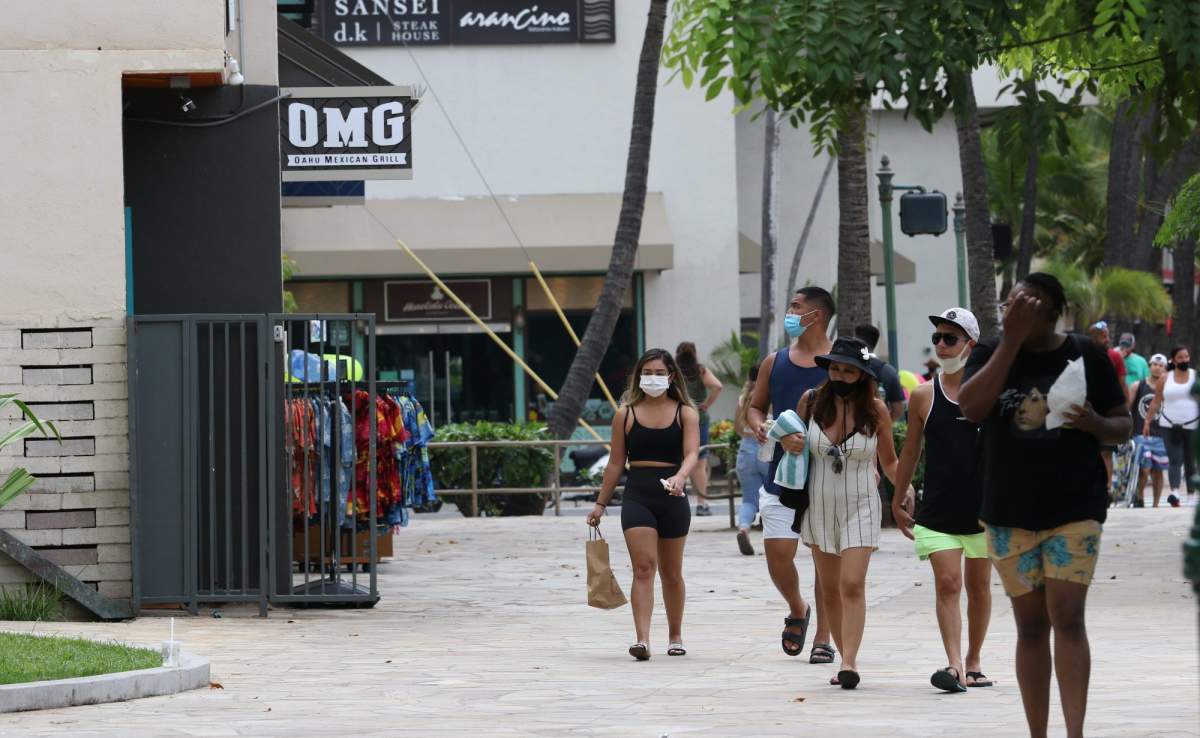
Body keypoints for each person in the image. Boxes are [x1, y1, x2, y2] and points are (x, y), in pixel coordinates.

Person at [960, 273, 1130, 738]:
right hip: (1008, 511)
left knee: (1068, 616)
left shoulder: (1087, 354)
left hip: (1074, 507)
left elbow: (1124, 423)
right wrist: (1010, 343)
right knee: (1030, 626)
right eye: (1011, 303)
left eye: (1027, 305)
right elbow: (970, 408)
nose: (1015, 310)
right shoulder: (992, 350)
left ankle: (1074, 732)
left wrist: (1095, 422)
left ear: (1053, 312)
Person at [893, 308, 992, 693]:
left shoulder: (989, 393)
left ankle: (974, 660)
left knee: (979, 587)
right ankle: (953, 665)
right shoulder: (922, 395)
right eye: (937, 337)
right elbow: (911, 452)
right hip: (937, 510)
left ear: (970, 344)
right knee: (948, 583)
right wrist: (899, 497)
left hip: (985, 511)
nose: (941, 344)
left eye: (950, 338)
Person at [795, 336, 900, 690]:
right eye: (835, 367)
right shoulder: (810, 403)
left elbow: (889, 462)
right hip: (820, 504)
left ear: (862, 374)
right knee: (829, 590)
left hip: (861, 504)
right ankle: (843, 658)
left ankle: (851, 661)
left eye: (849, 370)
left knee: (851, 584)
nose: (840, 374)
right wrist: (785, 442)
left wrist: (907, 493)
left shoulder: (876, 410)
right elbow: (793, 451)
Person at [587, 349, 701, 660]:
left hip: (672, 496)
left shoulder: (685, 413)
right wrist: (600, 504)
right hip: (637, 494)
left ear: (671, 377)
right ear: (639, 376)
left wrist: (680, 477)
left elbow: (692, 453)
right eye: (647, 372)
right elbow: (614, 464)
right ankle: (642, 639)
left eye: (659, 372)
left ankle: (675, 634)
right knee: (643, 567)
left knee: (672, 573)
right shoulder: (625, 414)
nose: (653, 378)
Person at [748, 286, 832, 662]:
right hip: (781, 475)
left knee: (824, 559)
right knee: (778, 555)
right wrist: (763, 428)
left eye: (797, 307)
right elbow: (755, 407)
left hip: (829, 476)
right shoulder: (774, 361)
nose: (790, 312)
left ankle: (824, 639)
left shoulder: (841, 362)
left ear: (817, 315)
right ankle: (798, 608)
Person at [1145, 345, 1198, 506]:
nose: (1184, 360)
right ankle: (1175, 493)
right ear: (1173, 360)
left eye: (1186, 357)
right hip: (1169, 424)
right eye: (1180, 357)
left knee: (1190, 461)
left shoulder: (1195, 376)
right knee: (1175, 459)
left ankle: (1190, 495)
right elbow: (1155, 402)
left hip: (1192, 424)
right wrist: (1147, 420)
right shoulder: (1165, 378)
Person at [676, 342, 723, 516]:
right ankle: (701, 504)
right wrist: (706, 404)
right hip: (699, 420)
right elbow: (717, 386)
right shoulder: (700, 370)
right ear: (694, 353)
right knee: (700, 464)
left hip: (678, 420)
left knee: (678, 461)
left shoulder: (674, 372)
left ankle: (677, 501)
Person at [1087, 321, 1126, 491]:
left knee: (1106, 452)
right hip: (1087, 410)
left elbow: (1121, 384)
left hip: (1108, 411)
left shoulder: (1114, 356)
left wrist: (1124, 410)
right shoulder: (1081, 354)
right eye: (1103, 336)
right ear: (1092, 337)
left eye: (1108, 336)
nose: (1107, 339)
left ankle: (1107, 487)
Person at [733, 363, 768, 555]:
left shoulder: (743, 398)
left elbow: (737, 427)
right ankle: (775, 539)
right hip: (767, 449)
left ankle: (744, 528)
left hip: (746, 450)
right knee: (773, 496)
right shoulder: (769, 396)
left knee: (749, 499)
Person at [1128, 353, 1169, 507]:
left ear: (1165, 369)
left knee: (1158, 471)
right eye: (1155, 364)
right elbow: (1127, 409)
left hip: (1161, 435)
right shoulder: (1137, 386)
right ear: (1149, 366)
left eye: (1161, 365)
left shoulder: (1168, 389)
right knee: (1144, 469)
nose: (1157, 368)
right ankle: (1139, 496)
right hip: (1140, 435)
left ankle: (1156, 505)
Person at [853, 324, 905, 421]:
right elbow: (898, 410)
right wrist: (881, 427)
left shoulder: (844, 365)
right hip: (875, 430)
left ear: (855, 340)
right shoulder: (888, 371)